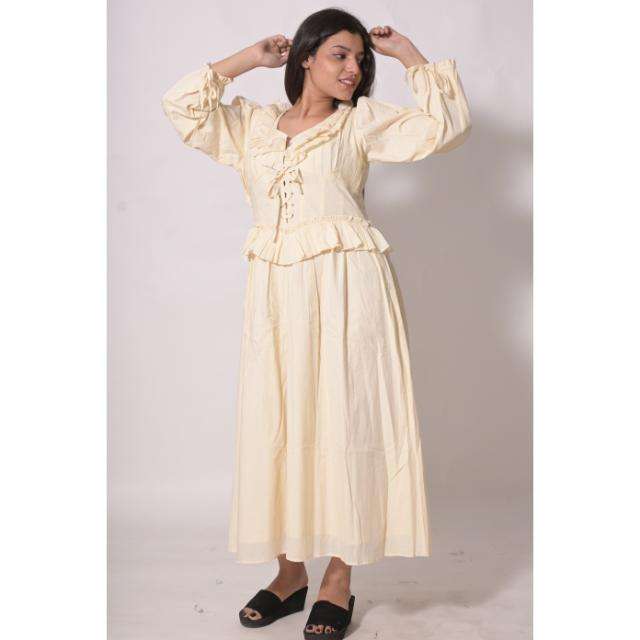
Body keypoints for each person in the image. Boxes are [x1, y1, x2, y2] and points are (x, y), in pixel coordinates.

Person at [161, 7, 471, 638]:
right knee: (279, 419)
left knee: (345, 419)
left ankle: (338, 578)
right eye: (339, 54)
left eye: (361, 59)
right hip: (276, 298)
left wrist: (409, 55)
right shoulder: (252, 127)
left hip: (349, 291)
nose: (354, 69)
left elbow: (445, 126)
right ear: (305, 56)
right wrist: (248, 59)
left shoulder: (360, 124)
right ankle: (289, 573)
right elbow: (182, 106)